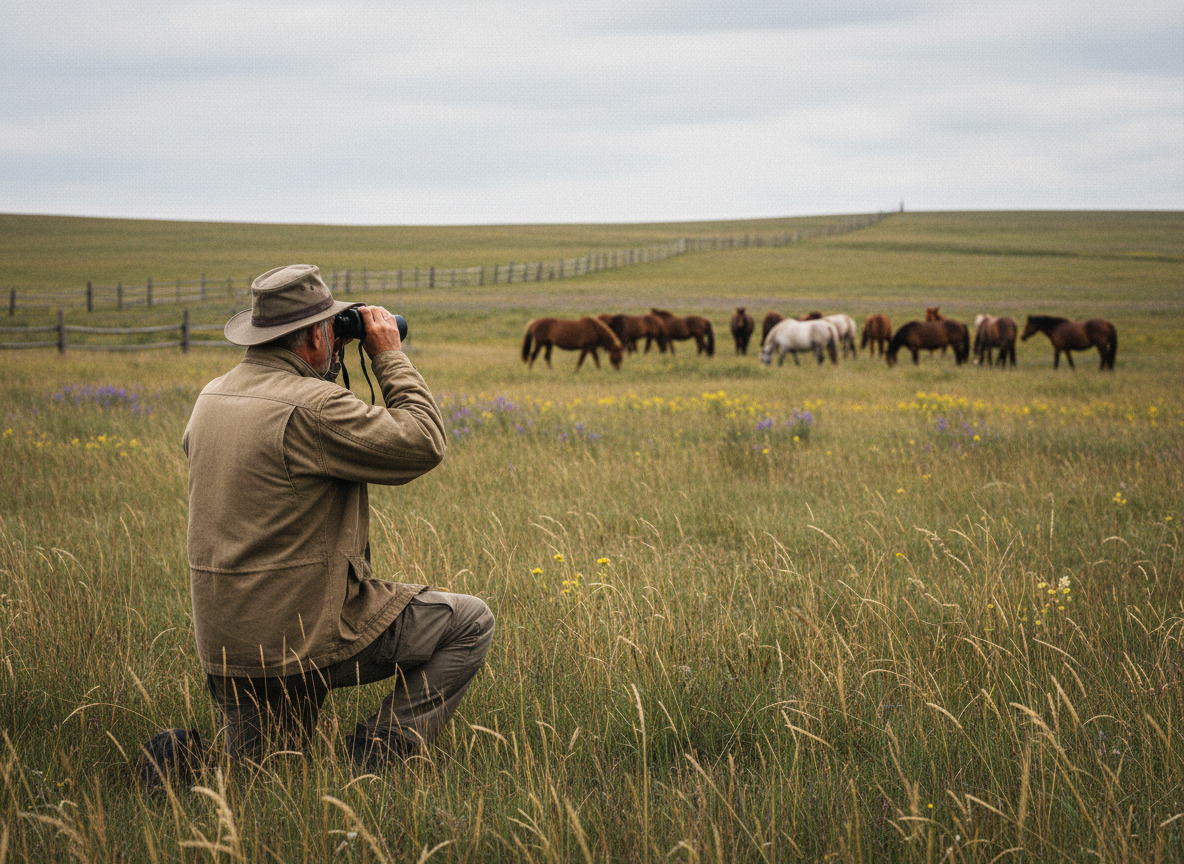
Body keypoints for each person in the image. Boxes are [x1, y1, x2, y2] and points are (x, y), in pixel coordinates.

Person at [182, 264, 494, 768]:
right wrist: (389, 355)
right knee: (470, 622)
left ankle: (177, 763)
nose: (336, 340)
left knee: (261, 778)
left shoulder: (211, 397)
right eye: (331, 328)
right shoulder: (311, 406)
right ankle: (377, 756)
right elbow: (423, 443)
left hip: (229, 647)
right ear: (310, 336)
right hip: (300, 635)